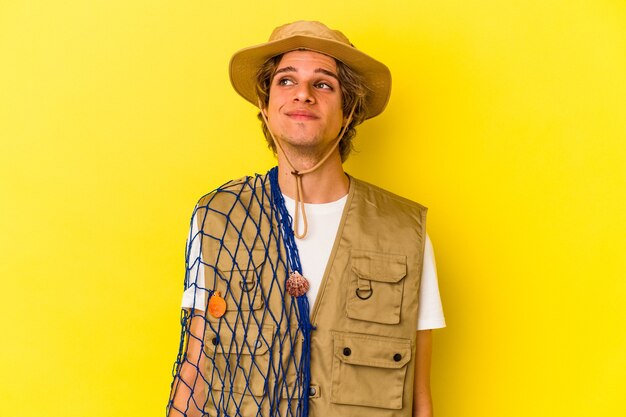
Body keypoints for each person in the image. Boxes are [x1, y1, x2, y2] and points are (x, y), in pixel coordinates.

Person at [167, 20, 445, 417]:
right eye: (285, 81)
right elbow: (193, 375)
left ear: (348, 111)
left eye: (323, 84)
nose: (302, 94)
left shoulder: (405, 233)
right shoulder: (218, 220)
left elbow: (420, 398)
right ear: (265, 107)